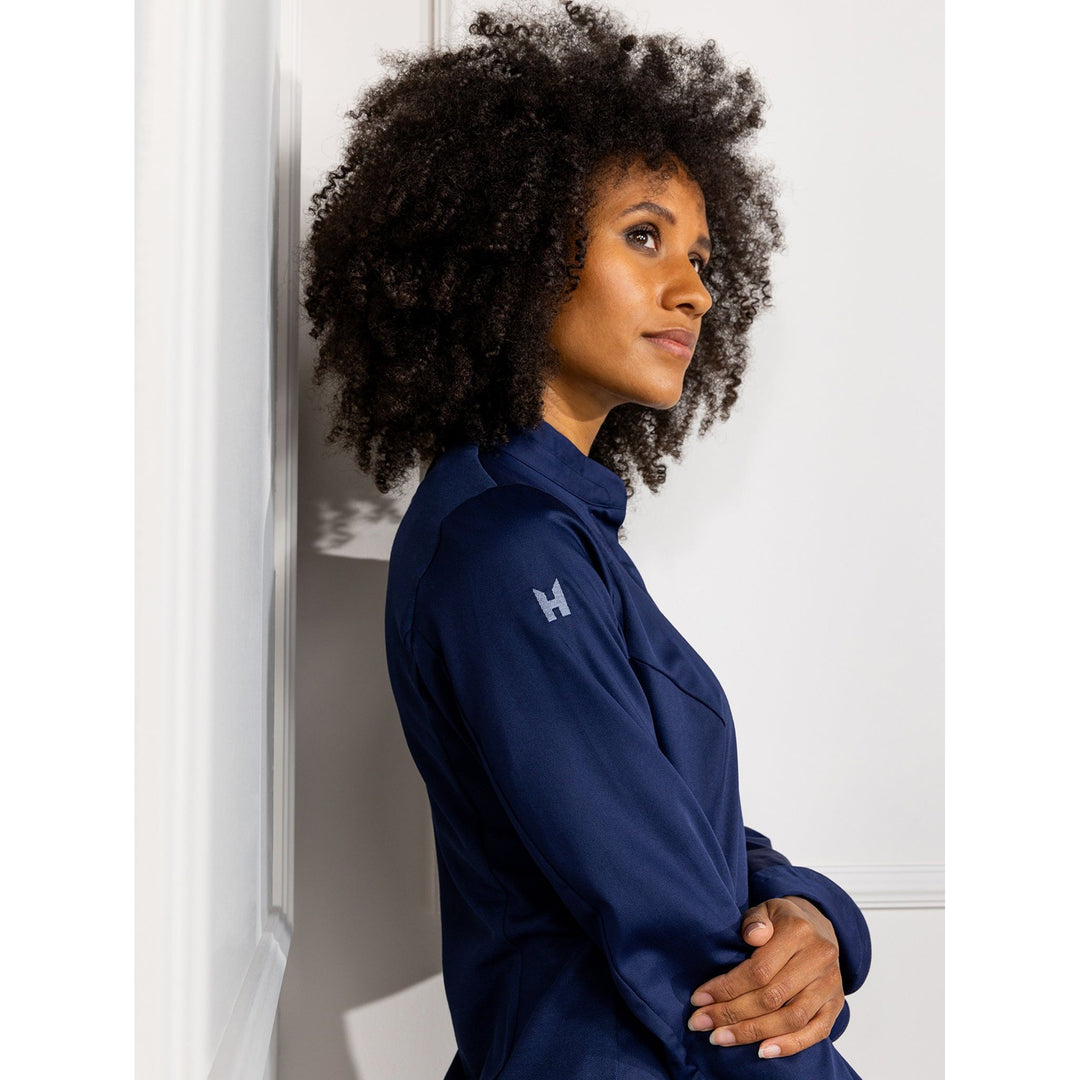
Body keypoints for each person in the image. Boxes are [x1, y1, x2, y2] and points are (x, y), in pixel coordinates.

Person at [303, 2, 871, 1077]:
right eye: (643, 236)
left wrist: (811, 910)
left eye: (701, 256)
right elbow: (682, 944)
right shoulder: (507, 549)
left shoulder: (556, 529)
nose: (693, 290)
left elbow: (673, 830)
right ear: (516, 247)